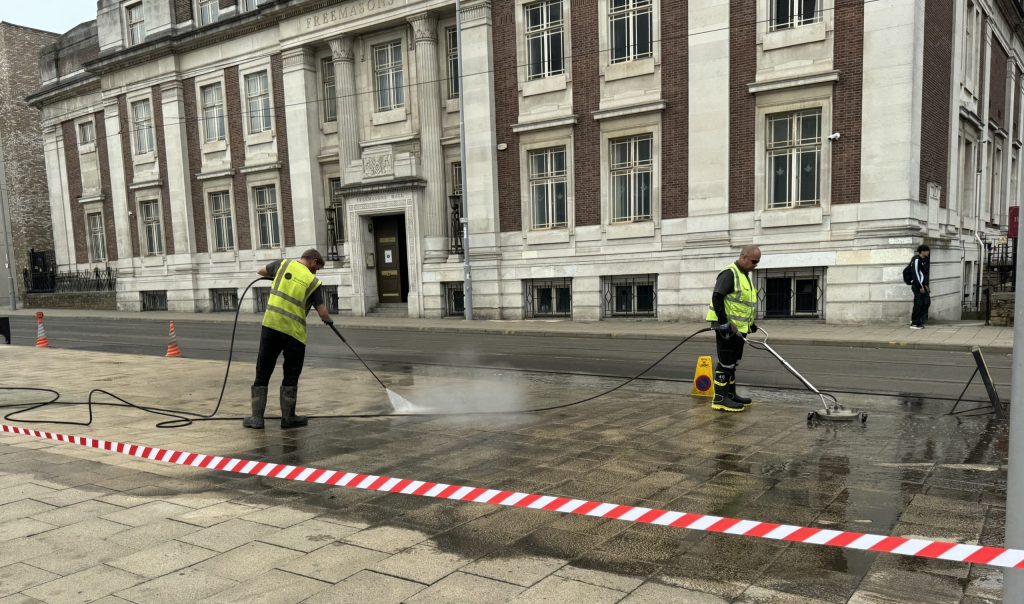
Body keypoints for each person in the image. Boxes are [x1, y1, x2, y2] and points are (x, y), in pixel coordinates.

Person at [244, 249, 334, 430]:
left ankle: (257, 418)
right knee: (291, 374)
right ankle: (288, 418)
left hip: (271, 326)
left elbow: (260, 271)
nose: (316, 272)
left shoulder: (283, 265)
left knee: (263, 369)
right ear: (314, 262)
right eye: (317, 268)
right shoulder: (313, 282)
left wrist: (277, 278)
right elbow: (322, 311)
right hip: (295, 334)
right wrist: (329, 321)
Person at [705, 245, 761, 412]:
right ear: (743, 257)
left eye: (757, 263)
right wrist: (723, 323)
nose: (755, 265)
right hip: (727, 328)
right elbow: (717, 297)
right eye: (753, 261)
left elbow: (743, 304)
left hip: (739, 329)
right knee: (726, 363)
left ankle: (730, 394)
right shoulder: (730, 273)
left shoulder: (745, 276)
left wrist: (750, 324)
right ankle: (720, 398)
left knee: (733, 363)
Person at [909, 244, 930, 329]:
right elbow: (916, 274)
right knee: (918, 303)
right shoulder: (917, 259)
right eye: (927, 251)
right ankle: (915, 323)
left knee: (926, 302)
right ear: (922, 251)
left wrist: (926, 285)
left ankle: (917, 320)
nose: (928, 252)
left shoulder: (923, 260)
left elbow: (923, 274)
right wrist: (920, 286)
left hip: (922, 285)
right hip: (917, 286)